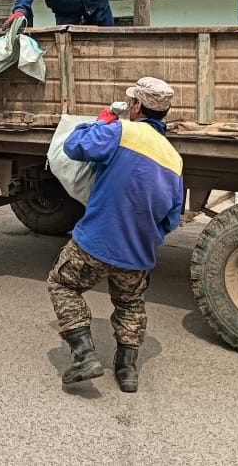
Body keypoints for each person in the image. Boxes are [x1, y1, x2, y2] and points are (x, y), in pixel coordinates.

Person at [46, 77, 184, 393]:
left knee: (62, 284)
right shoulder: (174, 159)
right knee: (130, 304)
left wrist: (101, 121)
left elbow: (73, 147)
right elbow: (171, 219)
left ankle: (84, 356)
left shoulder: (122, 131)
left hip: (95, 241)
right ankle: (127, 371)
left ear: (136, 106)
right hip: (138, 253)